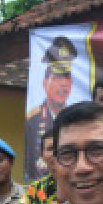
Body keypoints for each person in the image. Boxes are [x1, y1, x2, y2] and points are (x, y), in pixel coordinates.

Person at [24, 36, 77, 180]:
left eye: (67, 78)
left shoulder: (77, 121)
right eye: (57, 78)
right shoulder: (32, 120)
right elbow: (29, 167)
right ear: (45, 83)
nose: (63, 84)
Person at [20, 132, 59, 204]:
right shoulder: (34, 189)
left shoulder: (81, 184)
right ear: (42, 155)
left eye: (61, 147)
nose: (56, 153)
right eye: (51, 148)